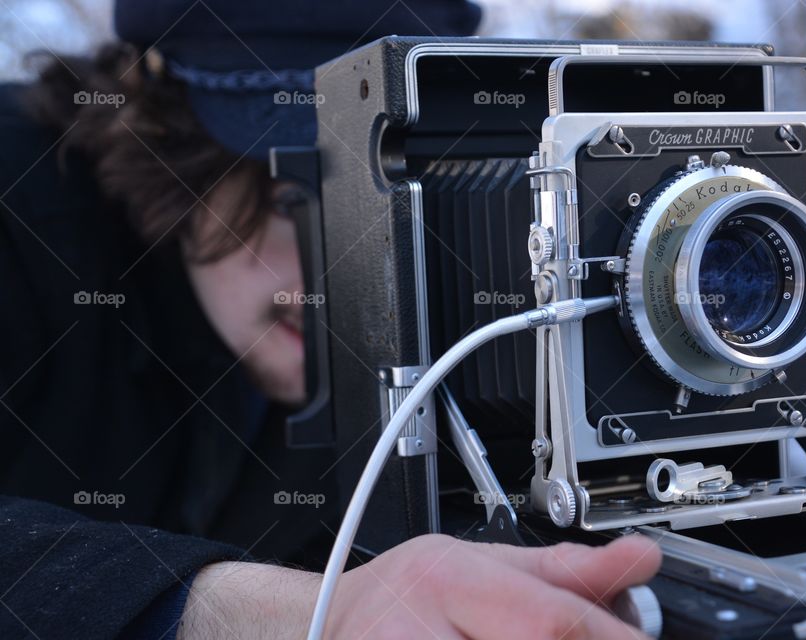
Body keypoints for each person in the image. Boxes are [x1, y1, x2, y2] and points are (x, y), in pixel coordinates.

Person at [0, 1, 662, 638]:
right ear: (164, 138)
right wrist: (264, 614)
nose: (338, 275)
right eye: (299, 199)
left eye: (386, 207)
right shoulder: (21, 203)